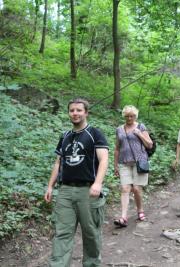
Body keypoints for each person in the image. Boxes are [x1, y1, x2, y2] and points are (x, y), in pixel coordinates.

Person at [44, 98, 109, 267]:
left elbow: (104, 160)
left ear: (86, 112)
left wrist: (98, 183)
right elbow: (58, 162)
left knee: (91, 234)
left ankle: (92, 264)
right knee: (62, 233)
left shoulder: (95, 133)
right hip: (65, 191)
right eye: (72, 110)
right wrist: (50, 186)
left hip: (88, 191)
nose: (75, 113)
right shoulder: (65, 136)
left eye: (79, 110)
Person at [113, 105, 153, 226]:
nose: (129, 118)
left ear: (135, 116)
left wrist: (139, 134)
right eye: (127, 116)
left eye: (132, 116)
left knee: (136, 188)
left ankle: (140, 210)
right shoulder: (119, 129)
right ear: (124, 116)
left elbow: (149, 145)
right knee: (125, 189)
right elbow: (117, 148)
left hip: (139, 161)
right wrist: (115, 165)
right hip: (124, 162)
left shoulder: (141, 127)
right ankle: (123, 217)